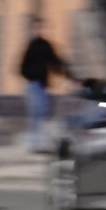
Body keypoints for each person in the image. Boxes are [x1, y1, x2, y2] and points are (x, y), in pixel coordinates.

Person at [17, 23, 66, 154]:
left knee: (42, 112)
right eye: (39, 29)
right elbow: (22, 67)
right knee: (35, 112)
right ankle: (34, 143)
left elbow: (55, 62)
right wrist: (31, 75)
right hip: (33, 83)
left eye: (44, 29)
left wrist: (65, 73)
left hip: (41, 84)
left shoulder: (46, 46)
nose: (42, 31)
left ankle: (40, 142)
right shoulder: (32, 46)